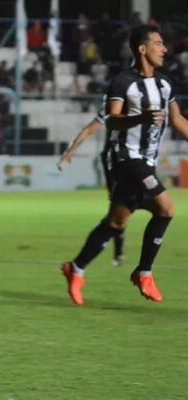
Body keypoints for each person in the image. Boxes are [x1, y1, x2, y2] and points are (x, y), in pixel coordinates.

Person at [60, 25, 188, 306]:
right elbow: (113, 120)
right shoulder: (122, 83)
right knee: (166, 209)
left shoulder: (165, 84)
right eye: (158, 43)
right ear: (142, 49)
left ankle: (75, 268)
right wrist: (140, 118)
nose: (164, 49)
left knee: (117, 222)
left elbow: (178, 122)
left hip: (146, 162)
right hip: (124, 158)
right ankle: (144, 273)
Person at [57, 96, 126, 266]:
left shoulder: (144, 99)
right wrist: (70, 151)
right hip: (114, 161)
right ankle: (116, 251)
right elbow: (88, 129)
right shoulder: (113, 103)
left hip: (137, 162)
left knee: (126, 208)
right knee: (120, 207)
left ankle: (108, 241)